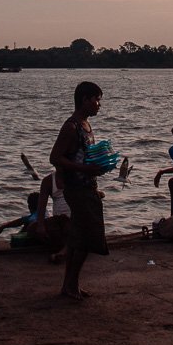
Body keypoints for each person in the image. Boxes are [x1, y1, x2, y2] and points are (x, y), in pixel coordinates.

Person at [49, 82, 108, 301]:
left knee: (76, 239)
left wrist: (98, 166)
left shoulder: (86, 126)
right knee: (85, 239)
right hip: (78, 190)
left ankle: (70, 285)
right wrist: (84, 169)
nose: (99, 105)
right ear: (84, 99)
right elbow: (55, 158)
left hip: (88, 186)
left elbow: (82, 154)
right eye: (96, 99)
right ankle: (71, 285)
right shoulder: (71, 127)